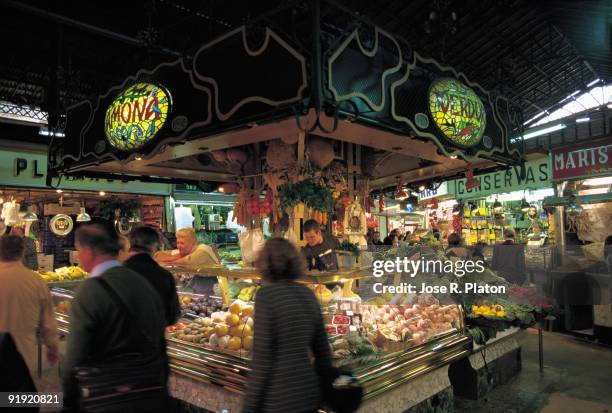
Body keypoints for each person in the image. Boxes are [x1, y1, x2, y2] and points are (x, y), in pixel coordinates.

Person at [62, 222, 167, 410]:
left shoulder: (90, 290)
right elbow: (159, 335)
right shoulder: (140, 282)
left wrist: (69, 401)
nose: (78, 256)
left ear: (89, 250)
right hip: (148, 392)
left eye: (78, 249)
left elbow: (75, 355)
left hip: (107, 396)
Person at [243, 238, 334, 413]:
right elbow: (323, 353)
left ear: (265, 263)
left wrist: (249, 407)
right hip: (309, 394)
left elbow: (262, 359)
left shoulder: (267, 296)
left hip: (279, 399)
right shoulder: (308, 294)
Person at [0, 235, 58, 391]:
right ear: (22, 252)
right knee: (21, 402)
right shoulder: (36, 281)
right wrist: (52, 348)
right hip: (26, 359)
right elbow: (48, 324)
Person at [124, 226, 181, 326]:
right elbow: (172, 317)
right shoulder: (164, 276)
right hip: (153, 338)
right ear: (154, 246)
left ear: (130, 244)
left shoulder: (114, 273)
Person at [155, 227, 220, 266]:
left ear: (192, 243)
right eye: (178, 243)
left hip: (216, 286)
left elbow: (178, 263)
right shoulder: (186, 250)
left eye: (182, 243)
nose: (179, 246)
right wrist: (179, 255)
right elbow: (157, 256)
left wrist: (172, 258)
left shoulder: (202, 251)